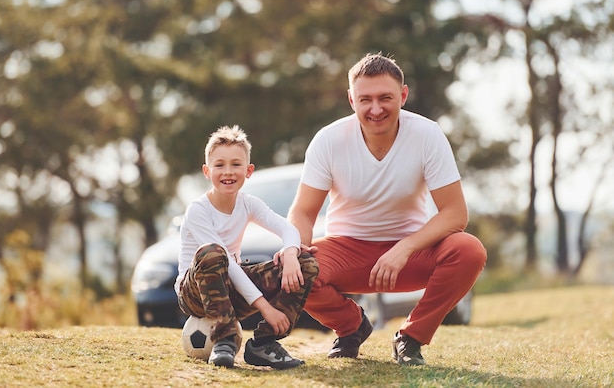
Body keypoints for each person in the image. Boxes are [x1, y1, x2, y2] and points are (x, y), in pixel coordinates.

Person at [287, 53, 487, 366]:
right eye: (365, 99)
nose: (376, 109)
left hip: (410, 254)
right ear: (351, 99)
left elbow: (455, 214)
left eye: (386, 98)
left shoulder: (427, 135)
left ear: (403, 96)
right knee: (295, 268)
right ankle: (351, 327)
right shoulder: (328, 140)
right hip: (347, 251)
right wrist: (293, 249)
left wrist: (404, 248)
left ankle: (410, 338)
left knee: (469, 250)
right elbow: (303, 211)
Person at [175, 125, 318, 369]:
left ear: (248, 170)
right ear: (207, 171)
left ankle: (265, 343)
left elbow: (288, 229)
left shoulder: (248, 203)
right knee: (213, 252)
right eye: (219, 165)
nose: (228, 172)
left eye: (236, 164)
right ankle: (225, 339)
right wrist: (265, 308)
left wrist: (292, 253)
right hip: (195, 292)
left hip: (230, 289)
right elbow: (226, 262)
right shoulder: (198, 210)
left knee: (307, 262)